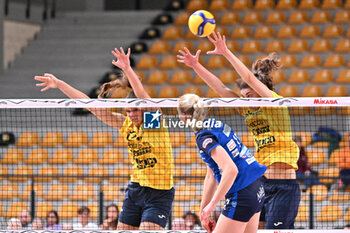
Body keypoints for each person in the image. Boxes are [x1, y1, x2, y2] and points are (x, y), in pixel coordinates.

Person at [34, 47, 175, 231]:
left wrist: (128, 69)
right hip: (135, 189)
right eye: (128, 111)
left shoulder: (154, 122)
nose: (131, 115)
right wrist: (60, 84)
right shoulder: (126, 125)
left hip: (159, 193)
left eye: (134, 110)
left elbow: (144, 98)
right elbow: (91, 106)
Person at [177, 32, 301, 229]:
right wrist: (195, 66)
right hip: (261, 182)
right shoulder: (246, 109)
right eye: (243, 96)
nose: (246, 100)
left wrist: (226, 52)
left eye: (250, 95)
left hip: (283, 187)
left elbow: (249, 79)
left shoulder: (274, 104)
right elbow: (221, 89)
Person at [177, 94, 267, 233]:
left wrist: (212, 205)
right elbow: (211, 175)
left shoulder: (203, 137)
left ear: (183, 116)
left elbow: (231, 170)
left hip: (241, 192)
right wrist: (203, 213)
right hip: (256, 188)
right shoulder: (215, 124)